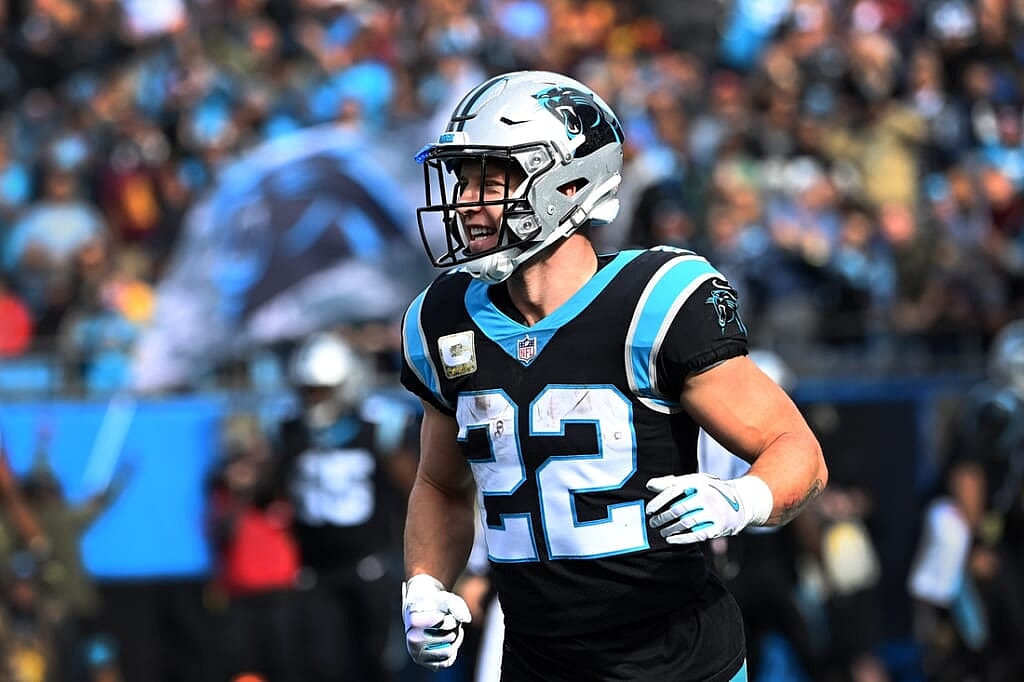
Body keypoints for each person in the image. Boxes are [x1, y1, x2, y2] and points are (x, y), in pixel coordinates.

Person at [398, 70, 828, 681]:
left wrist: (742, 498)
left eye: (490, 178)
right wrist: (424, 585)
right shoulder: (442, 319)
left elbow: (800, 454)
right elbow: (441, 485)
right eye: (462, 178)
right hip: (536, 664)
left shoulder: (654, 302)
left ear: (567, 181)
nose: (466, 200)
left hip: (679, 666)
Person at [275, 331, 417, 682]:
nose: (314, 399)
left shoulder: (379, 427)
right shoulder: (288, 428)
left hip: (369, 568)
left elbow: (413, 490)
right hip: (315, 572)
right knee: (323, 666)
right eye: (308, 389)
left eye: (322, 389)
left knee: (378, 663)